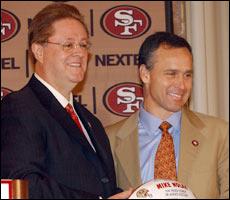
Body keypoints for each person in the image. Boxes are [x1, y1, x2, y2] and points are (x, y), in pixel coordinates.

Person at [1, 3, 132, 199]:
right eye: (68, 45)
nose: (79, 53)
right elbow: (24, 186)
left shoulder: (91, 122)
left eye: (83, 45)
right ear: (38, 51)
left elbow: (102, 189)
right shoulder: (19, 108)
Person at [106, 32, 229, 199]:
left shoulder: (220, 134)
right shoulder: (108, 139)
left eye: (187, 75)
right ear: (145, 74)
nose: (181, 85)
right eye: (171, 74)